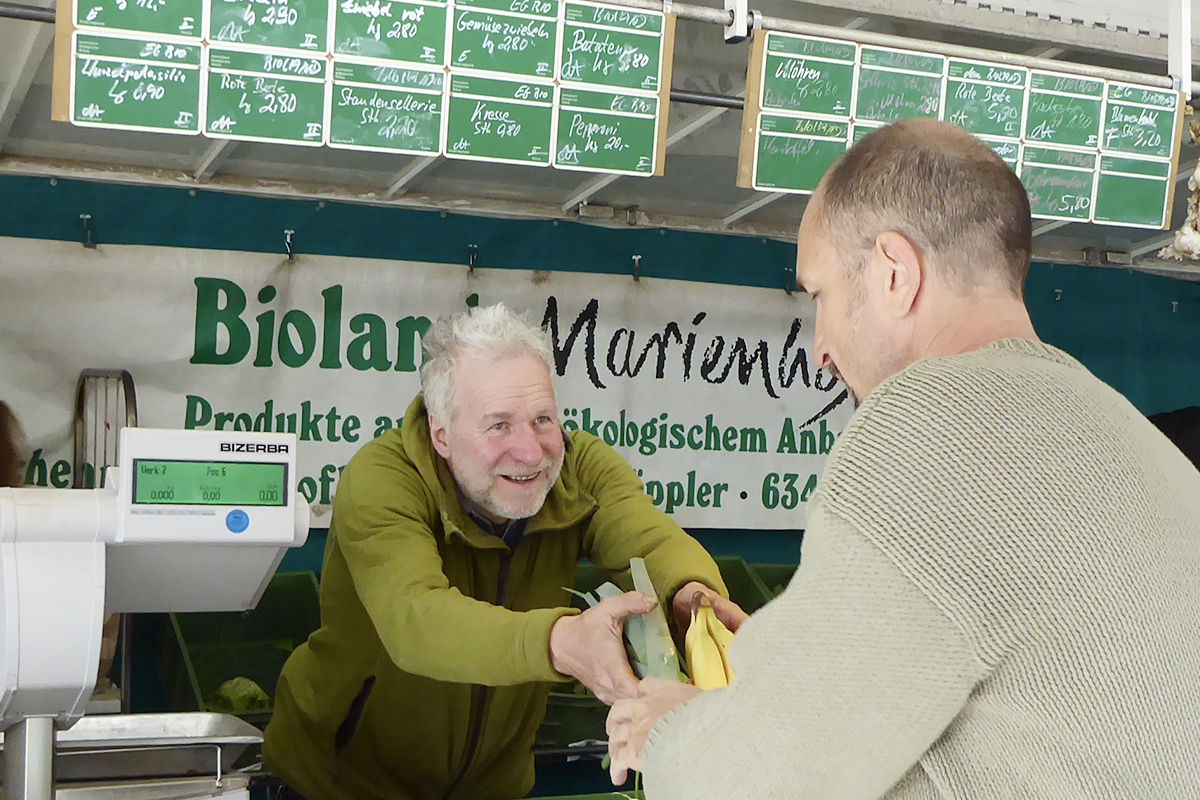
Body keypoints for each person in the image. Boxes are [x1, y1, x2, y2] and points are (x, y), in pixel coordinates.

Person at [606, 118, 1200, 798]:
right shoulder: (1126, 432)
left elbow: (766, 776)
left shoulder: (927, 420)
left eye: (820, 295)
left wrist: (671, 739)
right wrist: (792, 654)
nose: (819, 347)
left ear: (895, 274)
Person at [263, 303, 744, 800]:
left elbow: (651, 541)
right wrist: (559, 641)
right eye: (498, 426)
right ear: (441, 434)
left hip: (493, 788)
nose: (531, 452)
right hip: (341, 785)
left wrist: (690, 594)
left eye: (542, 419)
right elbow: (415, 619)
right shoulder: (382, 480)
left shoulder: (581, 470)